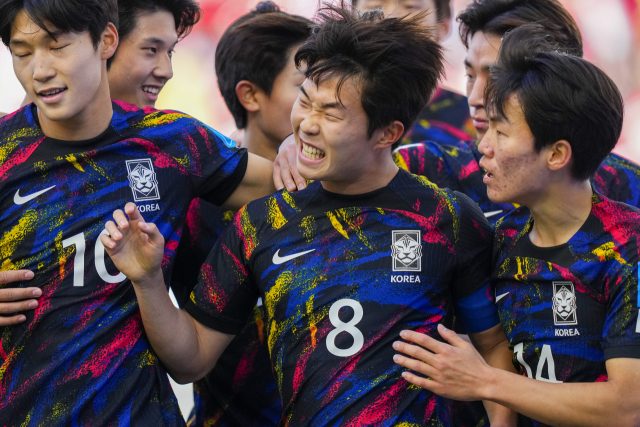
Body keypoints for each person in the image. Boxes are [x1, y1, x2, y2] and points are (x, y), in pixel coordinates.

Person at [101, 5, 516, 426]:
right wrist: (148, 280)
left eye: (332, 113)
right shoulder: (258, 224)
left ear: (388, 132)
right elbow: (191, 360)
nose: (308, 125)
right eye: (305, 100)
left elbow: (494, 345)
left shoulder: (449, 218)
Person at [0, 0, 277, 424]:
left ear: (106, 40)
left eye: (57, 48)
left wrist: (302, 150)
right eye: (23, 53)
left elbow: (301, 189)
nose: (39, 70)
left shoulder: (175, 143)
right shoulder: (5, 150)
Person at [393, 24, 640, 427]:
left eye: (501, 131)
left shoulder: (629, 248)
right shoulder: (502, 238)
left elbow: (627, 406)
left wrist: (485, 381)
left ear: (557, 154)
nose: (483, 146)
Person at [0, 0, 200, 328]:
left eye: (171, 52)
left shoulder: (180, 144)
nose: (166, 70)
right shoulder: (11, 148)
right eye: (150, 49)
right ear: (110, 41)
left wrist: (296, 144)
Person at [172, 4, 312, 426]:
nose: (319, 103)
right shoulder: (189, 203)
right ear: (250, 94)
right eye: (305, 88)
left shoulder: (349, 192)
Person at [392, 0, 640, 224]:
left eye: (497, 78)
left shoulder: (629, 189)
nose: (475, 97)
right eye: (469, 76)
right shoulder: (423, 170)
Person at [354, 0, 475, 145]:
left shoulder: (478, 121)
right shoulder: (326, 106)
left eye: (411, 6)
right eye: (374, 7)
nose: (391, 16)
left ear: (443, 24)